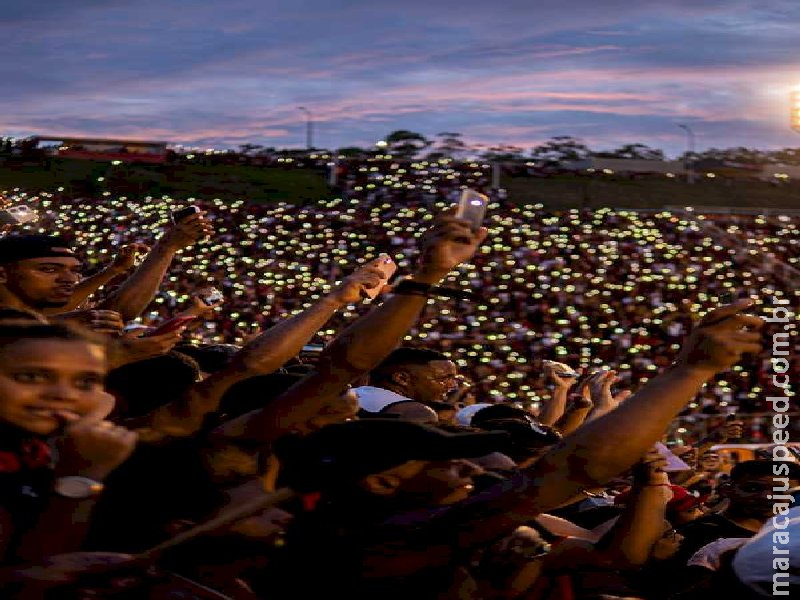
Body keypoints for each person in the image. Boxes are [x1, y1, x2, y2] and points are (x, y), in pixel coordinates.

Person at [259, 299, 764, 598]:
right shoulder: (375, 544)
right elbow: (566, 470)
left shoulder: (421, 528)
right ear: (382, 481)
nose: (465, 469)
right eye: (441, 459)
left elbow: (619, 557)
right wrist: (691, 371)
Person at [0, 322, 137, 563]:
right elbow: (31, 569)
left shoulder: (33, 446)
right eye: (31, 377)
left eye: (86, 382)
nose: (65, 395)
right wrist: (82, 477)